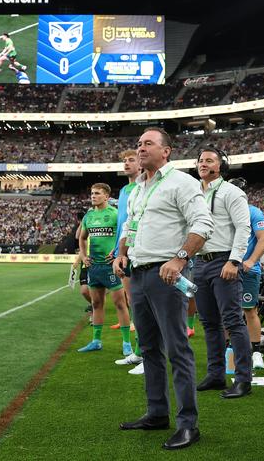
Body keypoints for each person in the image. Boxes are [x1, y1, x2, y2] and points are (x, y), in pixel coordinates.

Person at [114, 127, 214, 450]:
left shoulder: (181, 182)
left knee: (177, 350)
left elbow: (203, 224)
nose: (140, 149)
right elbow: (131, 225)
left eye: (148, 144)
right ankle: (157, 412)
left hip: (166, 276)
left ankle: (188, 424)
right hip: (139, 276)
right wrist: (122, 253)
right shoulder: (138, 189)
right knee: (148, 348)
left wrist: (180, 258)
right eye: (138, 144)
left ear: (166, 151)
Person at [193, 148, 252, 399]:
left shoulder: (231, 192)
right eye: (200, 160)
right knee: (208, 322)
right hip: (199, 262)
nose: (203, 164)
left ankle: (243, 379)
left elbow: (243, 227)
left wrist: (234, 260)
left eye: (209, 160)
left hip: (223, 261)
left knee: (233, 321)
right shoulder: (194, 192)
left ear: (221, 165)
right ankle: (216, 374)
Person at [78, 183, 130, 355]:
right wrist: (84, 256)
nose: (93, 196)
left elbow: (125, 234)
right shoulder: (89, 216)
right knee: (96, 303)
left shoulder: (115, 214)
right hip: (94, 267)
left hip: (111, 266)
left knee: (120, 304)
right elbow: (83, 237)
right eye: (92, 193)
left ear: (107, 196)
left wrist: (117, 252)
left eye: (97, 193)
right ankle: (96, 341)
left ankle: (126, 343)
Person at [228, 177, 264, 369]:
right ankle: (229, 351)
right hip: (226, 269)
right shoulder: (223, 213)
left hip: (247, 270)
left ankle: (256, 353)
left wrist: (251, 260)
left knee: (249, 309)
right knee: (227, 312)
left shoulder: (253, 212)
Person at [112, 149, 143, 373]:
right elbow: (123, 223)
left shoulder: (143, 186)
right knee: (133, 303)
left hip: (139, 251)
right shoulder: (123, 190)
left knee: (142, 305)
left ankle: (146, 354)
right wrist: (117, 251)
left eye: (131, 160)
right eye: (124, 160)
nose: (126, 163)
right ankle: (139, 352)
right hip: (122, 251)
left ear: (140, 164)